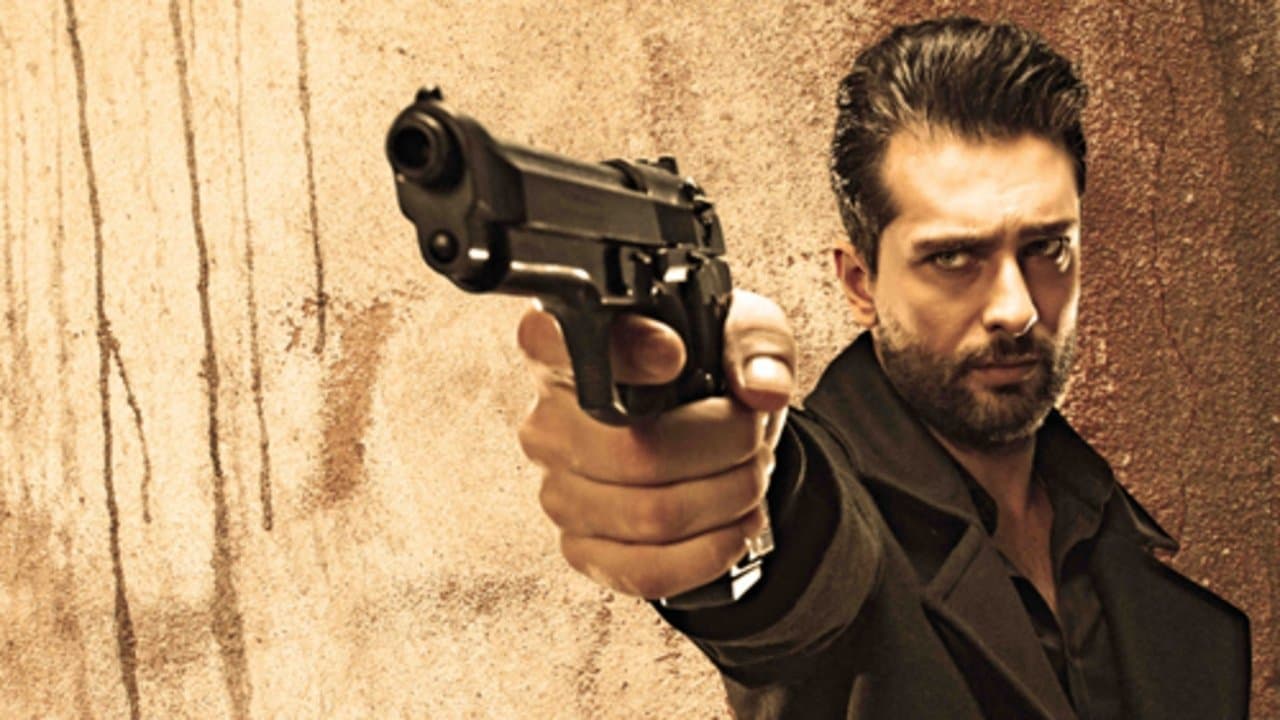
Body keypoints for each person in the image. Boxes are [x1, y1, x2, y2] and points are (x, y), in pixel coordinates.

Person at [515, 16, 1250, 719]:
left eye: (1046, 249)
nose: (1016, 308)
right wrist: (702, 452)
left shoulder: (1120, 554)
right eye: (953, 257)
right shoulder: (825, 517)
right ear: (860, 283)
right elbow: (787, 551)